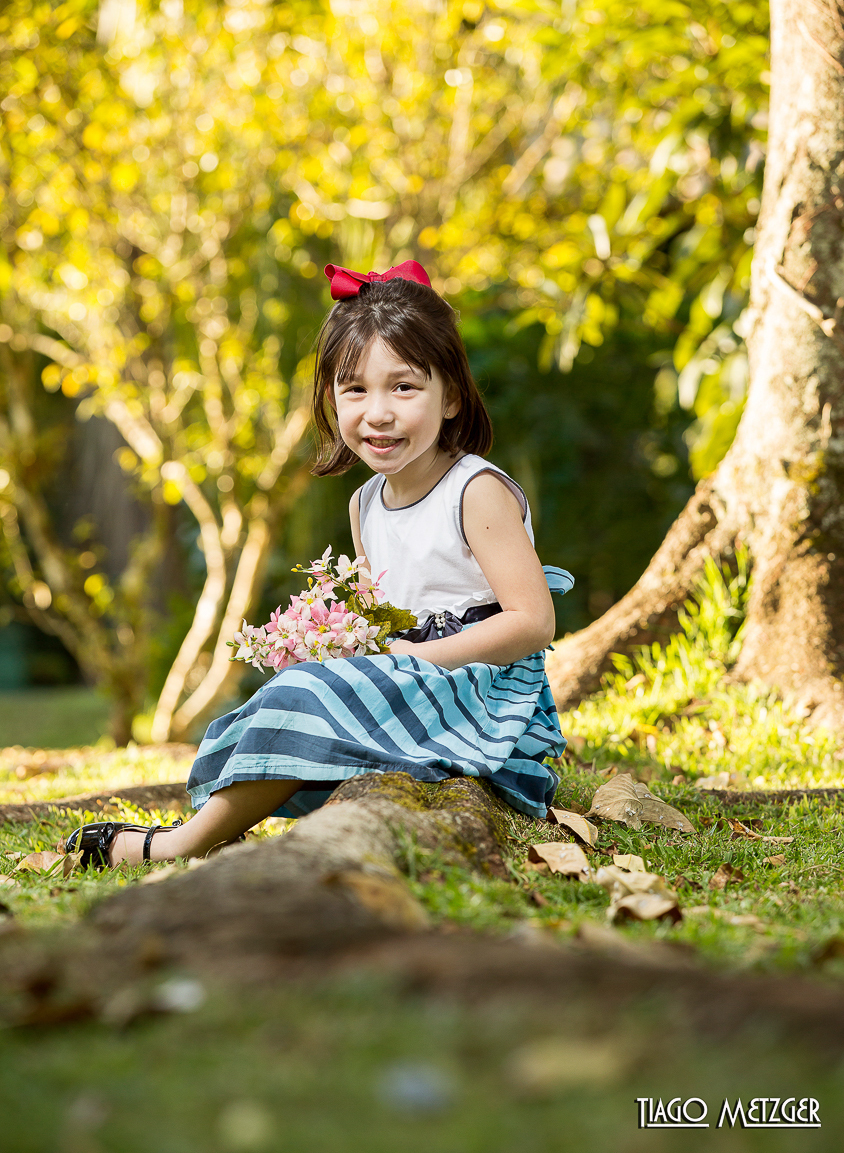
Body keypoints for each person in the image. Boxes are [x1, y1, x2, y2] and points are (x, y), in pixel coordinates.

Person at [66, 260, 573, 869]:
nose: (377, 412)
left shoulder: (475, 490)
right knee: (287, 688)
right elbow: (383, 618)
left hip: (486, 700)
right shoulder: (366, 505)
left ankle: (179, 844)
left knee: (307, 691)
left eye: (403, 387)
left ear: (452, 397)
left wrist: (407, 658)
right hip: (413, 681)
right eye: (354, 388)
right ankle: (216, 819)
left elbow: (532, 622)